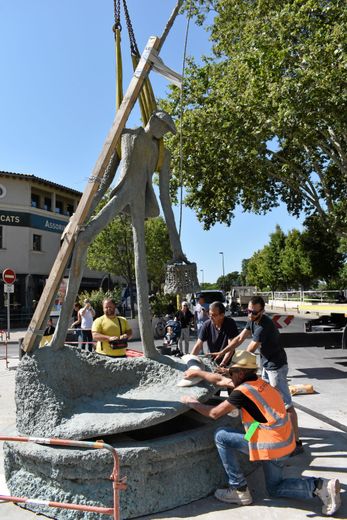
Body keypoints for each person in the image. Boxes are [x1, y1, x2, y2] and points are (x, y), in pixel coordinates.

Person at [181, 351, 341, 516]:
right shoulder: (260, 383)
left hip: (271, 447)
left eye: (232, 372)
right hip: (284, 443)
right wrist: (198, 372)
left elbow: (214, 413)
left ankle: (239, 489)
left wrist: (192, 403)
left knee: (221, 435)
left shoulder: (242, 392)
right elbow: (220, 380)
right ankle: (320, 486)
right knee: (275, 488)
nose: (230, 375)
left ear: (241, 372)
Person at [212, 295, 303, 456]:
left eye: (254, 313)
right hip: (267, 365)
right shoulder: (252, 320)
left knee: (286, 405)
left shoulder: (264, 325)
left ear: (262, 311)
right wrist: (222, 352)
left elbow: (249, 351)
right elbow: (239, 339)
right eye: (248, 311)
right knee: (264, 401)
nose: (250, 315)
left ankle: (296, 443)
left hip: (277, 367)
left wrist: (231, 369)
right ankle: (261, 434)